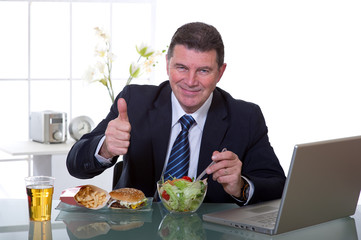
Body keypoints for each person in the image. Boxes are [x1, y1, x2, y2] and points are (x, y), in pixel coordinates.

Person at [67, 22, 286, 205]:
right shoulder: (134, 101)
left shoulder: (245, 116)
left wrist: (240, 186)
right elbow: (75, 165)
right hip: (137, 232)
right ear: (167, 64)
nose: (190, 82)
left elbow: (277, 184)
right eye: (181, 67)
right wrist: (105, 147)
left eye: (203, 70)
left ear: (220, 72)